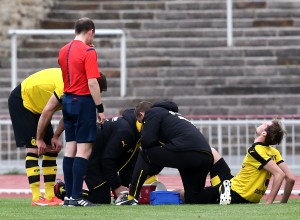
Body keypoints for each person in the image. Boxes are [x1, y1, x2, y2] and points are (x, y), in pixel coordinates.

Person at [116, 100, 213, 205]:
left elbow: (148, 142)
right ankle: (222, 192)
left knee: (144, 153)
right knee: (193, 197)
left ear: (142, 114)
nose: (141, 124)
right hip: (205, 155)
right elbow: (162, 157)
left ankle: (131, 197)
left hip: (187, 151)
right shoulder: (171, 116)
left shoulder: (152, 113)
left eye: (140, 121)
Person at [178, 120, 296, 205]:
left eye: (264, 124)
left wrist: (268, 202)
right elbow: (290, 178)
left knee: (187, 195)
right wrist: (283, 202)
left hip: (234, 193)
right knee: (211, 152)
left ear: (264, 133)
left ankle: (202, 189)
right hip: (234, 184)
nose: (262, 123)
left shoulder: (256, 150)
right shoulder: (274, 151)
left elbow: (279, 174)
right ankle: (211, 187)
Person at [58, 17, 106, 207]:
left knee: (70, 148)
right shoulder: (89, 51)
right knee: (84, 150)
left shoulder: (63, 50)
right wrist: (100, 109)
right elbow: (93, 82)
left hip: (67, 101)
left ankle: (69, 196)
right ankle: (77, 197)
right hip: (83, 101)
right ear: (90, 31)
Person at [8, 68, 65, 206]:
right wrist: (39, 139)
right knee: (34, 148)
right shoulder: (66, 85)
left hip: (39, 107)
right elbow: (47, 111)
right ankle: (36, 197)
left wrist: (56, 136)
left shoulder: (78, 88)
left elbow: (69, 115)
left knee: (52, 149)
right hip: (22, 101)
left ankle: (50, 195)